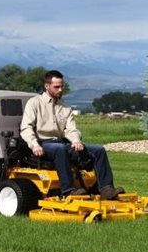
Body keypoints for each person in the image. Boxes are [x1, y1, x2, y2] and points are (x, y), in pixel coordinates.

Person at [20, 70, 124, 200]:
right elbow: (26, 128)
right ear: (47, 86)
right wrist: (34, 145)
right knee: (61, 149)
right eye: (56, 87)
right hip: (43, 144)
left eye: (62, 86)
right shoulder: (34, 103)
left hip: (61, 143)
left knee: (98, 150)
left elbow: (71, 129)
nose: (60, 90)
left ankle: (106, 189)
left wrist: (76, 141)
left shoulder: (65, 107)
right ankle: (68, 190)